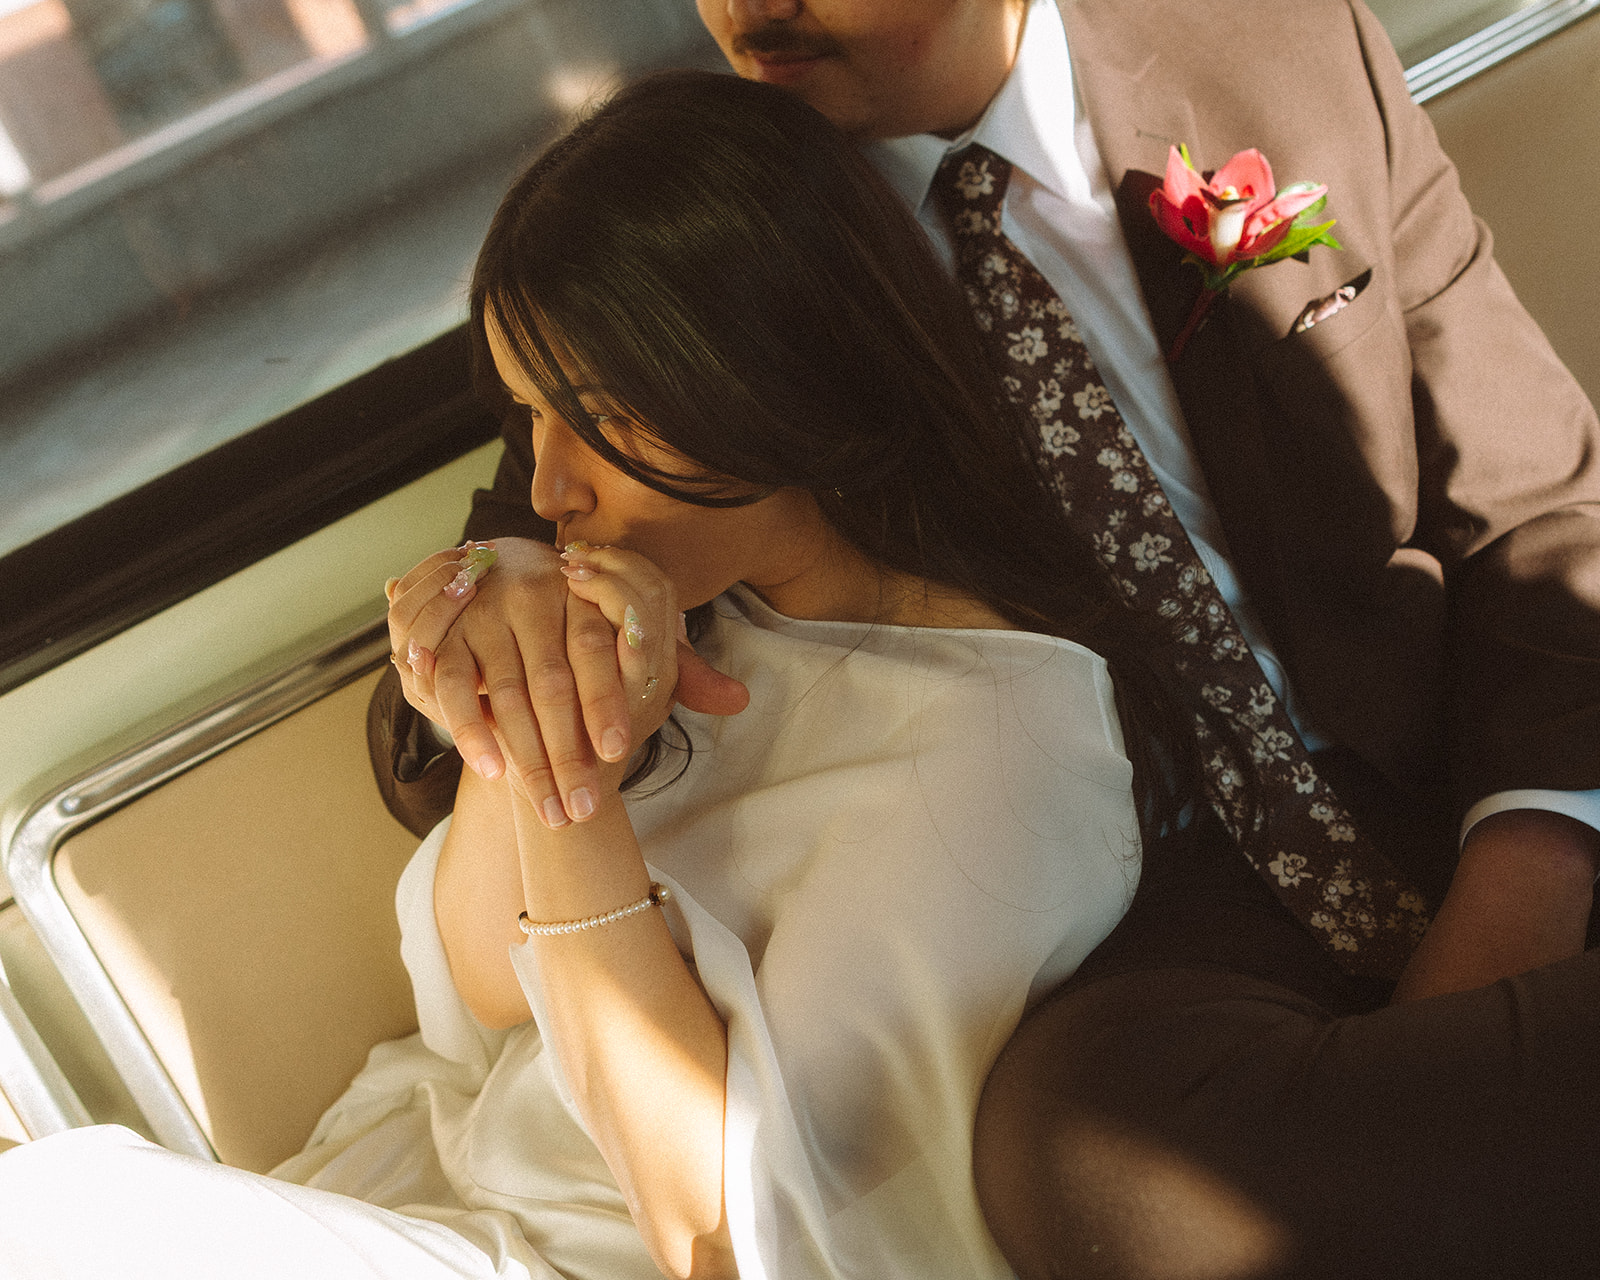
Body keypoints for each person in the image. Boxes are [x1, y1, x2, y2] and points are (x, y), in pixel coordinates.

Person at [370, 1, 1600, 1276]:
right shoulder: (720, 227)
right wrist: (495, 600)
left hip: (1469, 774)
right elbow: (518, 580)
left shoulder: (1270, 49)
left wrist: (1527, 873)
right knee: (1084, 1155)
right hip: (1167, 902)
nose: (745, 6)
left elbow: (1544, 505)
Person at [0, 70, 1217, 1279]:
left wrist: (574, 789)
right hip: (455, 1174)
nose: (547, 491)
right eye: (533, 418)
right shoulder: (700, 612)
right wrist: (521, 724)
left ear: (778, 375)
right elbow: (488, 988)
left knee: (58, 1204)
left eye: (604, 417)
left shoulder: (993, 753)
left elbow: (729, 1235)